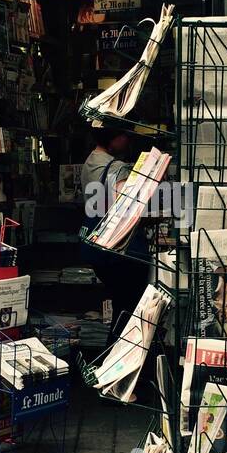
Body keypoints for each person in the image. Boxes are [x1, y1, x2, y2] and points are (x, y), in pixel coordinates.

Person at [79, 126, 147, 339]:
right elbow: (127, 207)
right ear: (113, 137)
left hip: (99, 248)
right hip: (120, 251)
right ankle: (115, 358)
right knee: (129, 309)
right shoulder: (117, 168)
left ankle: (112, 357)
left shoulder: (89, 162)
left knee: (121, 305)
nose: (127, 141)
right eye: (124, 135)